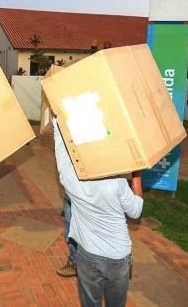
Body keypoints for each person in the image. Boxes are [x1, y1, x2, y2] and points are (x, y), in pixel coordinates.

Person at [52, 116, 143, 307]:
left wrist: (57, 121)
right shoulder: (117, 183)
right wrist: (137, 174)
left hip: (88, 256)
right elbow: (136, 211)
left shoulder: (71, 182)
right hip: (119, 257)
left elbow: (61, 153)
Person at [56, 196, 78, 277]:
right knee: (70, 230)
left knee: (72, 231)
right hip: (70, 194)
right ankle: (74, 263)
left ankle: (75, 264)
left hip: (80, 195)